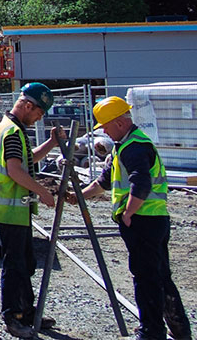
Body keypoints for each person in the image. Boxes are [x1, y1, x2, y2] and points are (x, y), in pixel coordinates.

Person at [70, 97, 190, 340]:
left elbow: (141, 184)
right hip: (152, 219)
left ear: (120, 123)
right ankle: (179, 329)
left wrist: (128, 213)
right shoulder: (124, 146)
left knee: (146, 278)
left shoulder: (134, 147)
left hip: (143, 221)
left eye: (105, 125)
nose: (103, 130)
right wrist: (78, 196)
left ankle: (151, 331)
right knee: (158, 274)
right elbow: (104, 181)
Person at [0, 82, 65, 338]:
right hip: (8, 209)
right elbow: (14, 171)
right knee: (15, 264)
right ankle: (13, 316)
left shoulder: (14, 128)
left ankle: (26, 311)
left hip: (15, 209)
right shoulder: (13, 132)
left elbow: (25, 160)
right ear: (27, 105)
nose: (39, 117)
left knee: (25, 262)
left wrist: (50, 144)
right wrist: (43, 191)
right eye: (39, 112)